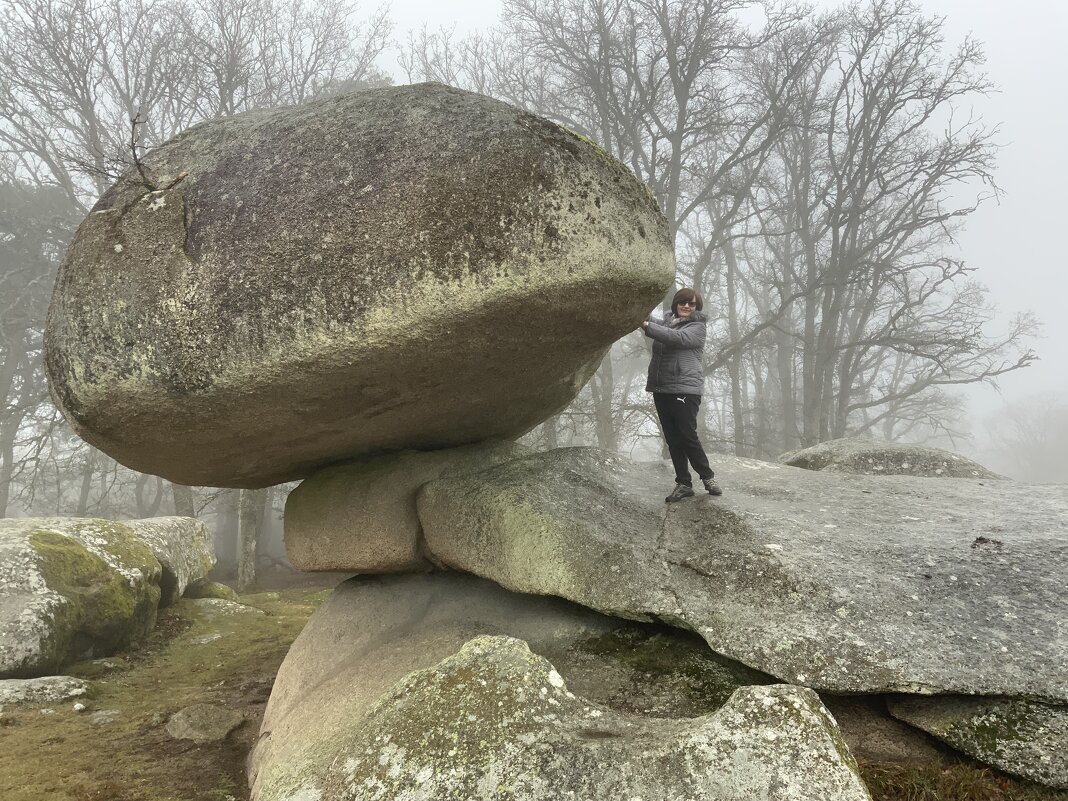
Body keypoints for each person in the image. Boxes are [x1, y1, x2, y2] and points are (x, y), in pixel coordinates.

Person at [641, 287, 722, 502]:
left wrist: (647, 326)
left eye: (692, 304)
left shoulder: (697, 328)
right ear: (676, 304)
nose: (686, 306)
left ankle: (708, 477)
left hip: (685, 389)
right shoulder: (667, 323)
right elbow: (652, 321)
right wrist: (636, 311)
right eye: (683, 302)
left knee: (687, 434)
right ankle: (683, 483)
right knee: (673, 439)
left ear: (697, 308)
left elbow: (676, 338)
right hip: (662, 388)